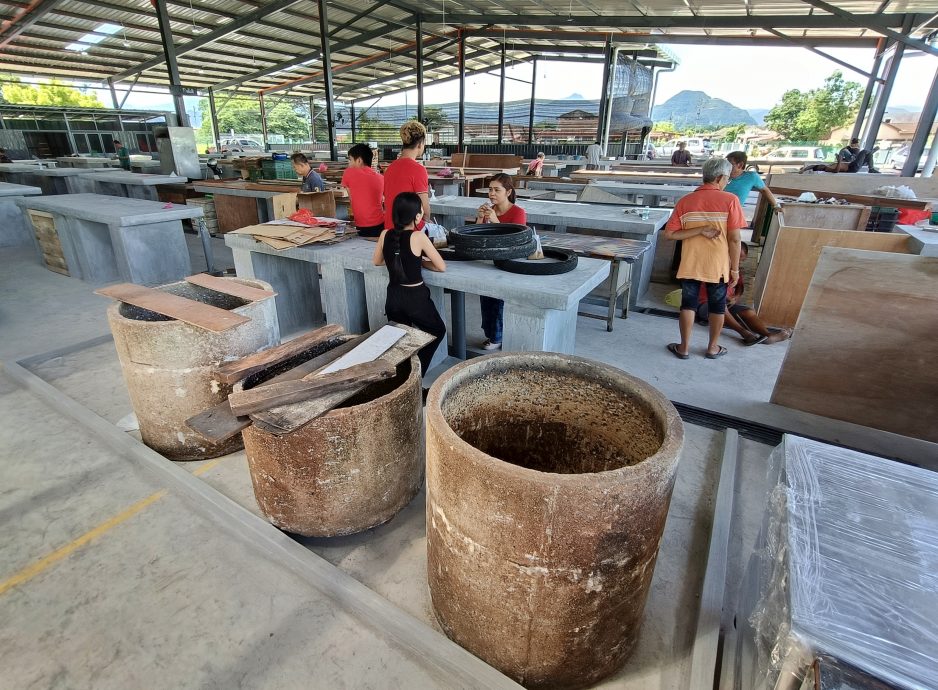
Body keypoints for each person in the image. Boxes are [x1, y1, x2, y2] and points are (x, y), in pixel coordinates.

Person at [664, 156, 745, 360]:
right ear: (719, 177)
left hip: (691, 262)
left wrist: (698, 229)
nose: (727, 182)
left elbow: (670, 234)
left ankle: (683, 348)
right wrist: (734, 269)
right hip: (717, 265)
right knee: (718, 306)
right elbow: (735, 240)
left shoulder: (686, 201)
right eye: (727, 178)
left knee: (688, 304)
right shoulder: (730, 201)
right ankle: (712, 347)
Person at [372, 192, 447, 376]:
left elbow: (377, 261)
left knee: (401, 341)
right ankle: (415, 375)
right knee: (437, 330)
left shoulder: (384, 234)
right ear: (417, 216)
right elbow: (441, 266)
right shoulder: (418, 237)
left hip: (394, 297)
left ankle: (402, 376)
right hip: (416, 299)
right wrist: (420, 261)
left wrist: (399, 259)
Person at [696, 243, 793, 345]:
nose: (737, 262)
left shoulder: (735, 270)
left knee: (748, 312)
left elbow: (740, 286)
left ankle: (767, 335)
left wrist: (736, 296)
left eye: (741, 259)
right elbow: (711, 290)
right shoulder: (713, 265)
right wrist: (726, 297)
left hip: (726, 304)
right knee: (720, 306)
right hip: (705, 306)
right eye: (736, 257)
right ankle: (745, 333)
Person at [475, 173, 526, 351]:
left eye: (497, 190)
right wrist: (481, 219)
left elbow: (514, 241)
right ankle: (491, 334)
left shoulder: (518, 212)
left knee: (498, 299)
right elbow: (478, 237)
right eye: (490, 189)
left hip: (508, 262)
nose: (492, 194)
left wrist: (496, 222)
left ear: (508, 192)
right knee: (485, 295)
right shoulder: (490, 210)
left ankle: (497, 336)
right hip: (488, 260)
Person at [384, 120, 431, 230]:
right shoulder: (418, 169)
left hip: (390, 229)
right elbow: (425, 209)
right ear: (420, 144)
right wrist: (427, 224)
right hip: (410, 231)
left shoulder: (389, 169)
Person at [341, 142, 385, 238]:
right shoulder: (381, 178)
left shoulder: (348, 173)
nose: (349, 163)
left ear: (359, 160)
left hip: (361, 225)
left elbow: (351, 199)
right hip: (380, 224)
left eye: (350, 160)